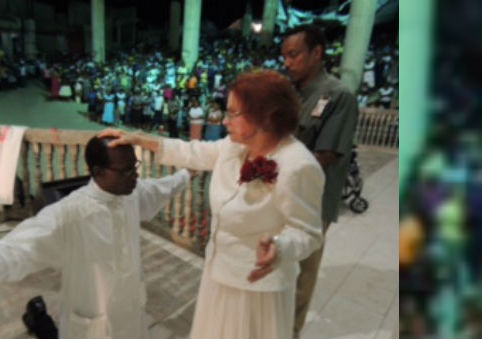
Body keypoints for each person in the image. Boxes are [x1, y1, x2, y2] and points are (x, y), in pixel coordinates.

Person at [99, 70, 324, 338]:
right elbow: (190, 152)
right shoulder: (234, 146)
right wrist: (139, 139)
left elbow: (308, 232)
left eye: (232, 113)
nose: (223, 121)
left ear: (265, 116)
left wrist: (280, 247)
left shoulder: (299, 166)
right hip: (219, 273)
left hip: (257, 288)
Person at [0, 136, 191, 339]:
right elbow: (9, 254)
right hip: (93, 325)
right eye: (126, 171)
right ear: (97, 171)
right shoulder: (69, 215)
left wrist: (188, 173)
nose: (135, 176)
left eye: (134, 167)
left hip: (131, 316)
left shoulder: (132, 194)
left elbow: (164, 187)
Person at [281, 24, 359, 339]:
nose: (287, 62)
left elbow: (326, 153)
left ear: (317, 53)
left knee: (300, 275)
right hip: (280, 194)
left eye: (294, 55)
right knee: (279, 269)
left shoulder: (338, 96)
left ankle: (288, 333)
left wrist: (272, 167)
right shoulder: (290, 91)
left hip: (311, 203)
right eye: (285, 56)